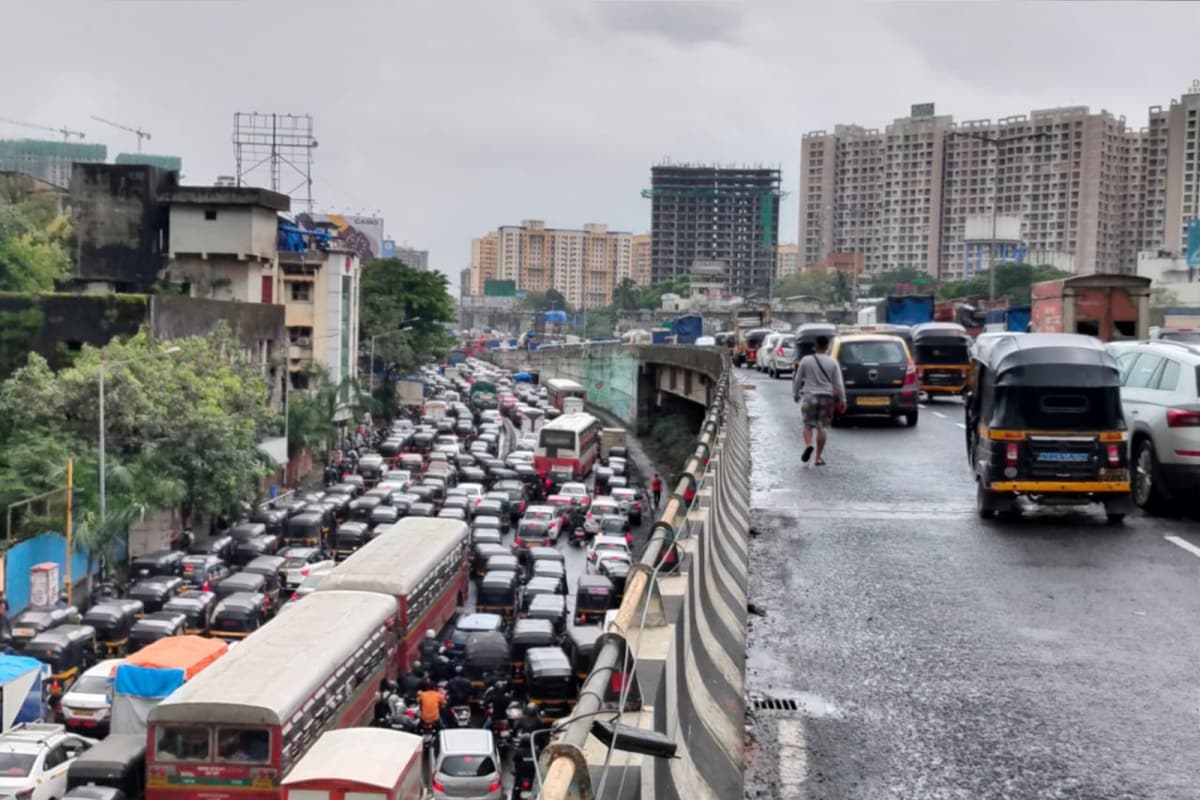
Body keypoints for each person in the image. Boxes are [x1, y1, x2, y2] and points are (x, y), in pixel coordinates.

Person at [792, 334, 846, 467]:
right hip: (826, 399)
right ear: (827, 346)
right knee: (822, 428)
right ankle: (818, 458)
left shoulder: (806, 360)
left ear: (815, 346)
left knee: (807, 426)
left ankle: (809, 444)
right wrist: (843, 399)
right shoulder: (832, 362)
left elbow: (798, 379)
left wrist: (796, 394)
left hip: (809, 398)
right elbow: (838, 383)